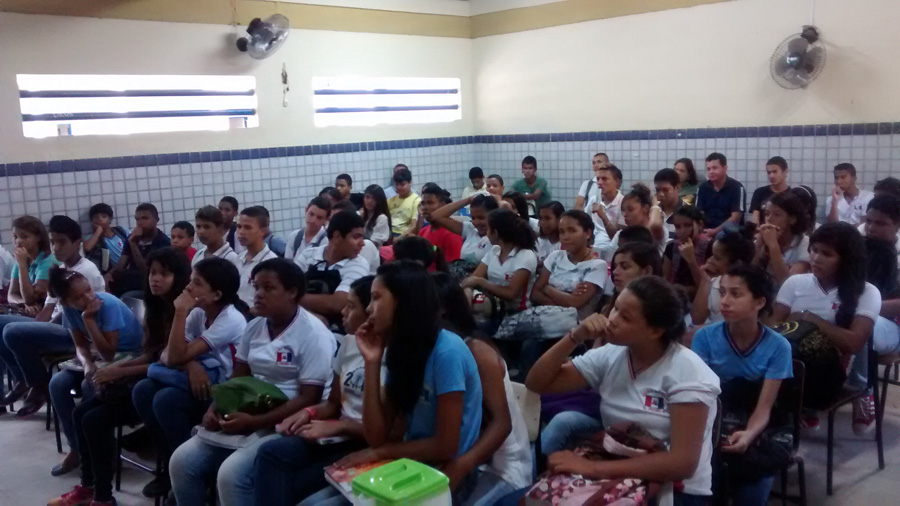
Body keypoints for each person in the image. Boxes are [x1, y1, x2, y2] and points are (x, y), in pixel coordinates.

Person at [524, 276, 720, 505]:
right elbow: (537, 382)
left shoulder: (687, 372)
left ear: (655, 331)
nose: (612, 319)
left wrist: (593, 468)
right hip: (618, 470)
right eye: (615, 308)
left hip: (674, 491)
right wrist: (574, 336)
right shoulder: (613, 354)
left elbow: (682, 464)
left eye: (625, 317)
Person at [169, 258, 336, 506]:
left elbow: (308, 398)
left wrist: (255, 422)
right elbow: (239, 376)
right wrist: (215, 408)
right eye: (256, 287)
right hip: (250, 408)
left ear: (292, 292)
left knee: (232, 474)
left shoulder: (313, 334)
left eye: (268, 288)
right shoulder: (255, 326)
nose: (257, 295)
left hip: (288, 418)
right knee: (181, 460)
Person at [325, 262, 482, 504]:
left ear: (404, 302)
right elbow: (376, 435)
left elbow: (447, 445)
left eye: (376, 298)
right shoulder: (401, 350)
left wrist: (380, 452)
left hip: (447, 473)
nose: (368, 309)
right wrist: (372, 362)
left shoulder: (447, 351)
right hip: (409, 463)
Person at [46, 252, 187, 506]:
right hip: (143, 376)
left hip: (161, 386)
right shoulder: (155, 307)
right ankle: (91, 488)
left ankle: (101, 494)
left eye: (163, 274)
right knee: (81, 413)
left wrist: (118, 370)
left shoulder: (183, 312)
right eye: (152, 272)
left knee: (93, 416)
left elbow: (165, 362)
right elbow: (151, 353)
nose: (155, 279)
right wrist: (104, 369)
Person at [252, 275, 377, 506]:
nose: (343, 313)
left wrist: (340, 426)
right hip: (336, 434)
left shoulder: (390, 356)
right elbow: (333, 403)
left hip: (362, 439)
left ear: (372, 312)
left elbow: (385, 432)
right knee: (272, 454)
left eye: (351, 307)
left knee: (296, 485)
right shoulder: (349, 343)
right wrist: (308, 414)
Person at [132, 257, 248, 499]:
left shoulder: (230, 319)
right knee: (142, 390)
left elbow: (173, 358)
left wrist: (180, 311)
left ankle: (191, 471)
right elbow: (168, 354)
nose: (187, 288)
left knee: (165, 400)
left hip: (225, 389)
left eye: (196, 283)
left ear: (216, 294)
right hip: (199, 380)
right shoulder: (198, 314)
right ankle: (171, 465)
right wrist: (192, 365)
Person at [691, 265, 792, 506]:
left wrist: (749, 434)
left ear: (759, 302)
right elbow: (699, 397)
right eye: (722, 292)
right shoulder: (704, 338)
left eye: (736, 294)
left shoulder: (778, 347)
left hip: (760, 426)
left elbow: (764, 408)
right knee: (702, 487)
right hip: (714, 421)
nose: (724, 301)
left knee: (750, 496)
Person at [431, 273, 532, 505]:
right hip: (455, 458)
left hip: (499, 468)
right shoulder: (423, 350)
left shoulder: (476, 350)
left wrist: (459, 467)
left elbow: (501, 424)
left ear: (442, 309)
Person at [771, 222, 881, 434]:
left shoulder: (867, 292)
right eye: (813, 250)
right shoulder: (795, 283)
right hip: (789, 365)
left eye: (826, 254)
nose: (815, 258)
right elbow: (774, 326)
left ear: (846, 259)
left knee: (785, 360)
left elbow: (854, 342)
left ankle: (781, 427)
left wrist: (808, 319)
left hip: (832, 376)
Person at [1, 216, 104, 417]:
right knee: (5, 326)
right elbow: (48, 309)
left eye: (61, 242)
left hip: (77, 332)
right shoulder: (60, 270)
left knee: (13, 331)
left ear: (77, 244)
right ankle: (25, 380)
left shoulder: (85, 270)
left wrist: (34, 329)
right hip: (56, 325)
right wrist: (34, 326)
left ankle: (38, 386)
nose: (56, 248)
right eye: (52, 242)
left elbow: (83, 313)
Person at [46, 266, 145, 476]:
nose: (89, 298)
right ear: (65, 302)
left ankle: (103, 453)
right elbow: (80, 346)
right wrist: (87, 364)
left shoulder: (106, 305)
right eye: (79, 297)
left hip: (129, 354)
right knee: (58, 384)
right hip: (99, 356)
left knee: (88, 384)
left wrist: (88, 320)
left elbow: (109, 353)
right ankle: (77, 448)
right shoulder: (69, 310)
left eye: (89, 290)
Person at [293, 211, 369, 326]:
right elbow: (286, 286)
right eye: (356, 237)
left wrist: (291, 299)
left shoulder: (359, 264)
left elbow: (338, 303)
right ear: (337, 236)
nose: (362, 243)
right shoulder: (308, 255)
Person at [531, 210, 607, 320]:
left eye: (572, 231)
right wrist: (565, 302)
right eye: (561, 232)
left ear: (587, 233)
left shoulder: (597, 266)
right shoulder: (555, 256)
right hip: (545, 319)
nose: (565, 237)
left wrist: (547, 287)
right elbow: (534, 294)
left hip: (574, 329)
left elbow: (575, 303)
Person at [461, 209, 538, 315]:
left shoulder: (526, 256)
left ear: (495, 233)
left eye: (488, 229)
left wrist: (482, 282)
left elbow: (511, 294)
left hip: (518, 313)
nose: (486, 234)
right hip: (495, 308)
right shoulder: (494, 251)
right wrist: (468, 291)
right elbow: (473, 279)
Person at [687, 228, 756, 327]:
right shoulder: (714, 281)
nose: (710, 260)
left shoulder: (749, 288)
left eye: (717, 258)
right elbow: (697, 318)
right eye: (712, 255)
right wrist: (705, 281)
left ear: (737, 264)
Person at [105, 203, 171, 296]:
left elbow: (146, 271)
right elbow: (121, 265)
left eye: (145, 218)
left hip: (151, 284)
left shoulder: (163, 242)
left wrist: (134, 245)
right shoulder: (132, 237)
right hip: (132, 280)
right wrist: (109, 275)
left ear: (156, 220)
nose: (140, 222)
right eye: (137, 219)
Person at [752, 191, 810, 286]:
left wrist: (773, 245)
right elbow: (749, 275)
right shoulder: (763, 239)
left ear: (792, 219)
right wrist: (759, 245)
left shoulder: (804, 243)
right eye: (767, 214)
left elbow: (787, 284)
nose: (769, 219)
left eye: (777, 215)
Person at [603, 183, 667, 261]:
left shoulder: (656, 231)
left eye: (630, 209)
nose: (625, 215)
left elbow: (655, 224)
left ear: (646, 208)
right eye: (623, 211)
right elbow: (610, 261)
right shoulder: (620, 234)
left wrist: (654, 203)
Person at [430, 194, 499, 266]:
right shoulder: (470, 230)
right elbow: (436, 216)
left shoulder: (498, 238)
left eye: (481, 218)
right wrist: (468, 200)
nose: (476, 222)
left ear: (493, 215)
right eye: (473, 218)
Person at [600, 242, 662, 317]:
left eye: (624, 267)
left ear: (647, 272)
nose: (614, 272)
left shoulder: (660, 314)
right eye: (615, 266)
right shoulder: (608, 310)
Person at [236, 206, 279, 306]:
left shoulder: (271, 263)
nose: (241, 232)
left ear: (262, 231)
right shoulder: (237, 258)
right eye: (239, 226)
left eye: (247, 227)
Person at [696, 153, 746, 237]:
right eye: (708, 169)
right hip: (707, 227)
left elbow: (736, 217)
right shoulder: (702, 188)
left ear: (725, 168)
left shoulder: (737, 187)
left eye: (715, 168)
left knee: (721, 236)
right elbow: (698, 213)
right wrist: (700, 229)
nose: (711, 172)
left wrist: (714, 231)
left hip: (729, 229)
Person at [662, 205, 708, 297]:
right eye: (678, 227)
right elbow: (665, 280)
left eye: (687, 225)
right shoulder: (672, 246)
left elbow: (705, 288)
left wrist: (691, 260)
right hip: (675, 297)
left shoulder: (709, 247)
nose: (682, 231)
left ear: (700, 225)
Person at [586, 163, 626, 251]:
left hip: (615, 251)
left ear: (617, 182)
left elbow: (617, 239)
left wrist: (603, 216)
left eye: (604, 179)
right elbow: (584, 224)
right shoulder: (594, 200)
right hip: (595, 249)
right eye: (598, 179)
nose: (599, 182)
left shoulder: (624, 202)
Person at [418, 184, 463, 262]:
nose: (425, 207)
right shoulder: (423, 232)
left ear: (443, 206)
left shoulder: (452, 234)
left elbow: (453, 268)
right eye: (423, 203)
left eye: (430, 203)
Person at [83, 203, 129, 275]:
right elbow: (87, 248)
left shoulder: (122, 231)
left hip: (128, 268)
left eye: (104, 217)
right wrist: (98, 231)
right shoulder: (93, 238)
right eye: (96, 217)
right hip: (109, 275)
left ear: (110, 220)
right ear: (92, 222)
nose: (100, 219)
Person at [192, 205, 241, 270]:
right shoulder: (198, 256)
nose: (201, 232)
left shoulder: (231, 258)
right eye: (198, 226)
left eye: (207, 227)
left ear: (220, 228)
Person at [285, 196, 332, 262]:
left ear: (326, 220)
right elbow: (287, 265)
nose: (313, 220)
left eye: (319, 218)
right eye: (311, 214)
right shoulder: (294, 236)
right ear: (306, 210)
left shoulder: (326, 241)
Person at [749, 156, 790, 225]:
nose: (771, 176)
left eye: (775, 172)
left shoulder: (792, 195)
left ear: (785, 172)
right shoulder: (759, 192)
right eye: (769, 172)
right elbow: (755, 218)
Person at [388, 168, 421, 237]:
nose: (399, 187)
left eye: (402, 185)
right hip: (389, 234)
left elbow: (414, 226)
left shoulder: (416, 200)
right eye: (397, 185)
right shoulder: (390, 201)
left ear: (410, 183)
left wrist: (400, 238)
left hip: (404, 235)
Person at [654, 168, 685, 240]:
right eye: (657, 190)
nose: (661, 194)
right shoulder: (653, 211)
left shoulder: (688, 212)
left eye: (665, 190)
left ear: (677, 187)